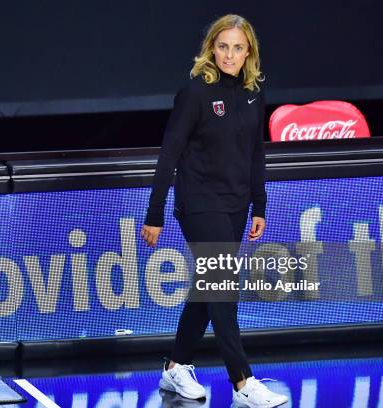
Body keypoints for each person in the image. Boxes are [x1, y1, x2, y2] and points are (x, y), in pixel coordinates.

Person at [140, 14, 288, 408]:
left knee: (209, 286)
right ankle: (242, 382)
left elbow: (256, 152)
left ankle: (176, 365)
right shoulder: (195, 93)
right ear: (211, 49)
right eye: (223, 46)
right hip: (199, 201)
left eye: (238, 47)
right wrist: (154, 213)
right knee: (222, 285)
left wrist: (260, 204)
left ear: (249, 52)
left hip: (237, 204)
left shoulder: (255, 93)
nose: (230, 54)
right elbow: (169, 153)